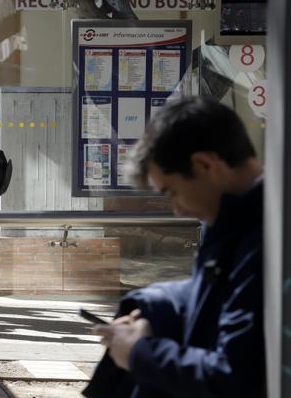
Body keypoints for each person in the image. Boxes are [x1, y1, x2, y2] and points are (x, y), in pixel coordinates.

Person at [84, 97, 265, 398]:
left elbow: (234, 378)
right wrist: (153, 309)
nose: (177, 210)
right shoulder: (233, 222)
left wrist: (138, 352)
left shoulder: (264, 240)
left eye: (172, 192)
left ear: (205, 165)